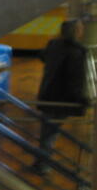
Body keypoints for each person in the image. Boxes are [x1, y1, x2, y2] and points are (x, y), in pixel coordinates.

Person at [33, 19, 89, 174]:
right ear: (77, 32)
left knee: (48, 131)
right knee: (51, 132)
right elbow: (75, 80)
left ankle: (41, 161)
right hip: (62, 98)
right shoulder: (77, 52)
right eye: (80, 29)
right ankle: (42, 164)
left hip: (47, 94)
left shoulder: (54, 45)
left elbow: (42, 56)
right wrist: (81, 99)